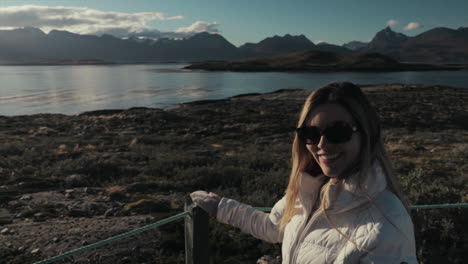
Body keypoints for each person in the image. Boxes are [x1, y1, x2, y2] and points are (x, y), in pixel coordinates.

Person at [190, 82, 418, 264]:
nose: (322, 145)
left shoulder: (386, 224)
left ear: (367, 133)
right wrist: (223, 208)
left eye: (338, 132)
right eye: (310, 133)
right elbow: (274, 227)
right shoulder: (310, 187)